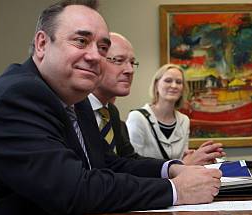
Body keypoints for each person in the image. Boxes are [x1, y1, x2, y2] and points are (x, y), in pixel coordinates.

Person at [0, 0, 221, 215]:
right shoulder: (19, 95)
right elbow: (72, 189)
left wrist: (171, 169)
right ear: (42, 44)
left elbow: (108, 163)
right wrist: (175, 190)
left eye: (102, 47)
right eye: (80, 41)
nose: (94, 56)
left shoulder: (77, 100)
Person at [89, 33, 225, 165]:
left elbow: (128, 164)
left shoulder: (111, 113)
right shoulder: (74, 110)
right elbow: (129, 168)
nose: (130, 70)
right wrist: (181, 165)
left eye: (132, 62)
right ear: (156, 85)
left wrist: (189, 160)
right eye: (119, 60)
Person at [126, 64, 191, 161]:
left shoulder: (184, 121)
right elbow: (131, 162)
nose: (174, 86)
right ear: (156, 85)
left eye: (178, 82)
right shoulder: (138, 118)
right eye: (168, 81)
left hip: (179, 176)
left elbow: (183, 159)